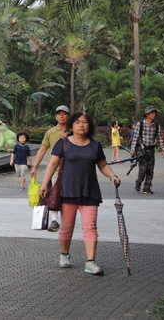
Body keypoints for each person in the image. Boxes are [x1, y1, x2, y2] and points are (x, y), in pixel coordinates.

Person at [40, 111, 121, 275]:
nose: (81, 125)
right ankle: (64, 255)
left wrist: (112, 176)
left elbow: (103, 165)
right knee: (66, 228)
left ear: (89, 125)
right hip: (68, 192)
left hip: (89, 192)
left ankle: (90, 262)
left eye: (84, 122)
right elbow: (52, 163)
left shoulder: (95, 145)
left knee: (90, 227)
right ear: (72, 125)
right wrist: (44, 184)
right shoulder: (63, 143)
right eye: (77, 122)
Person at [31, 104, 70, 232]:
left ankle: (68, 220)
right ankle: (54, 220)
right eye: (59, 114)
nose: (61, 116)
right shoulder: (51, 132)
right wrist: (34, 166)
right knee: (54, 193)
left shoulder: (74, 132)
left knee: (69, 195)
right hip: (55, 169)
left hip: (72, 169)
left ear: (68, 116)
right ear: (56, 116)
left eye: (64, 114)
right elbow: (42, 150)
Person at [130, 106, 164, 194]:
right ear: (147, 114)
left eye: (154, 113)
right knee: (143, 168)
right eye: (152, 113)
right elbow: (135, 137)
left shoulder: (156, 125)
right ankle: (138, 181)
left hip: (151, 149)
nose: (154, 115)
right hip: (141, 149)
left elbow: (160, 138)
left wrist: (163, 149)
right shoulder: (140, 124)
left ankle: (147, 187)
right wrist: (133, 149)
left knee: (150, 169)